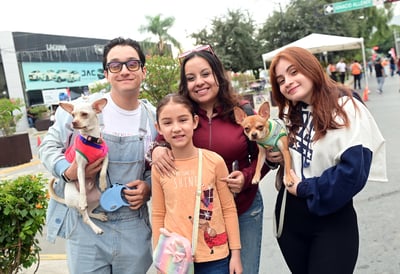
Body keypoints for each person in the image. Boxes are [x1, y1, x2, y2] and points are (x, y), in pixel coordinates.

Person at [149, 45, 272, 274]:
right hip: (197, 216)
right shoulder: (182, 114)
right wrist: (155, 150)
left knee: (244, 269)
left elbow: (264, 156)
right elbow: (160, 145)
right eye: (191, 78)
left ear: (218, 74)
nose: (199, 82)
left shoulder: (242, 112)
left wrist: (245, 178)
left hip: (243, 206)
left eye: (205, 74)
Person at [39, 37, 156, 274]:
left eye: (132, 64)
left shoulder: (154, 118)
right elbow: (47, 147)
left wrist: (148, 186)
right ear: (106, 73)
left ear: (143, 71)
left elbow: (160, 165)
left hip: (132, 225)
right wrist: (66, 170)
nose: (124, 70)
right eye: (115, 65)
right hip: (85, 228)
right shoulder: (80, 110)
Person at [267, 47, 387, 274]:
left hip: (331, 219)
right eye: (281, 80)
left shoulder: (346, 107)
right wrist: (277, 159)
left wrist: (304, 188)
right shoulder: (292, 113)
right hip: (290, 222)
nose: (288, 82)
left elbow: (352, 174)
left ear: (310, 67)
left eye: (294, 72)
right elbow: (296, 158)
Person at [151, 93, 243, 274]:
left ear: (194, 122)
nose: (176, 128)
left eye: (182, 120)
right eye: (168, 123)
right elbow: (158, 214)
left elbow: (228, 209)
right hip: (175, 258)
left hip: (215, 257)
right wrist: (159, 257)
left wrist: (236, 255)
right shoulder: (159, 168)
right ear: (158, 128)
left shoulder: (214, 161)